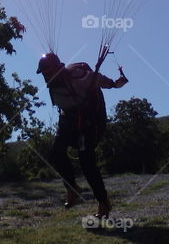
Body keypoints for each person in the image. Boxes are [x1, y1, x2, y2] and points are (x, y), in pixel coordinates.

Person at [37, 51, 128, 217]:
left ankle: (103, 202)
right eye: (43, 72)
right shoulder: (53, 84)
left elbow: (96, 79)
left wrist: (115, 84)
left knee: (86, 161)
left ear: (56, 68)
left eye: (48, 71)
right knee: (56, 152)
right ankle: (72, 188)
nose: (46, 75)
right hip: (67, 118)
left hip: (87, 120)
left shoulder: (76, 75)